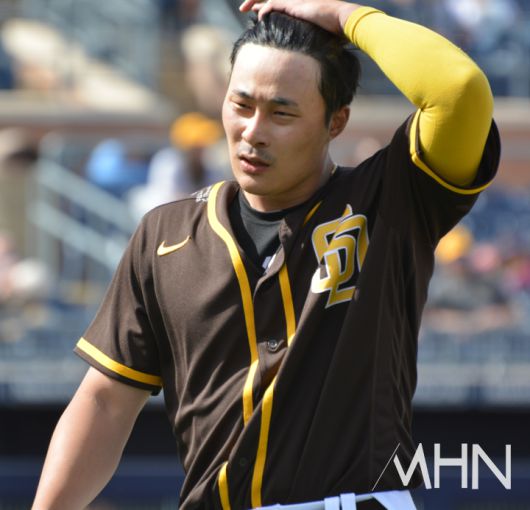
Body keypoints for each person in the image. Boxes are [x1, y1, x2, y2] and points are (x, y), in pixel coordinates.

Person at [32, 0, 500, 509]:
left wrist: (344, 17)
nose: (253, 131)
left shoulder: (391, 200)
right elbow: (104, 402)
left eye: (282, 112)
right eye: (241, 105)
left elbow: (458, 90)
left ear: (336, 122)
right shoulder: (164, 233)